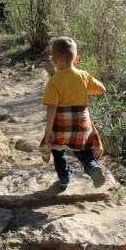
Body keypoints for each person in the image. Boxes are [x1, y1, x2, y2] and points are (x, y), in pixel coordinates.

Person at [42, 36, 106, 189]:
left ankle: (64, 178)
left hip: (61, 124)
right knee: (83, 152)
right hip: (81, 123)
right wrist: (82, 88)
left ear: (53, 60)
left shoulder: (54, 81)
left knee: (58, 151)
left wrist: (48, 131)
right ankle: (92, 167)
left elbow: (51, 108)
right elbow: (102, 89)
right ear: (76, 58)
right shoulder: (83, 75)